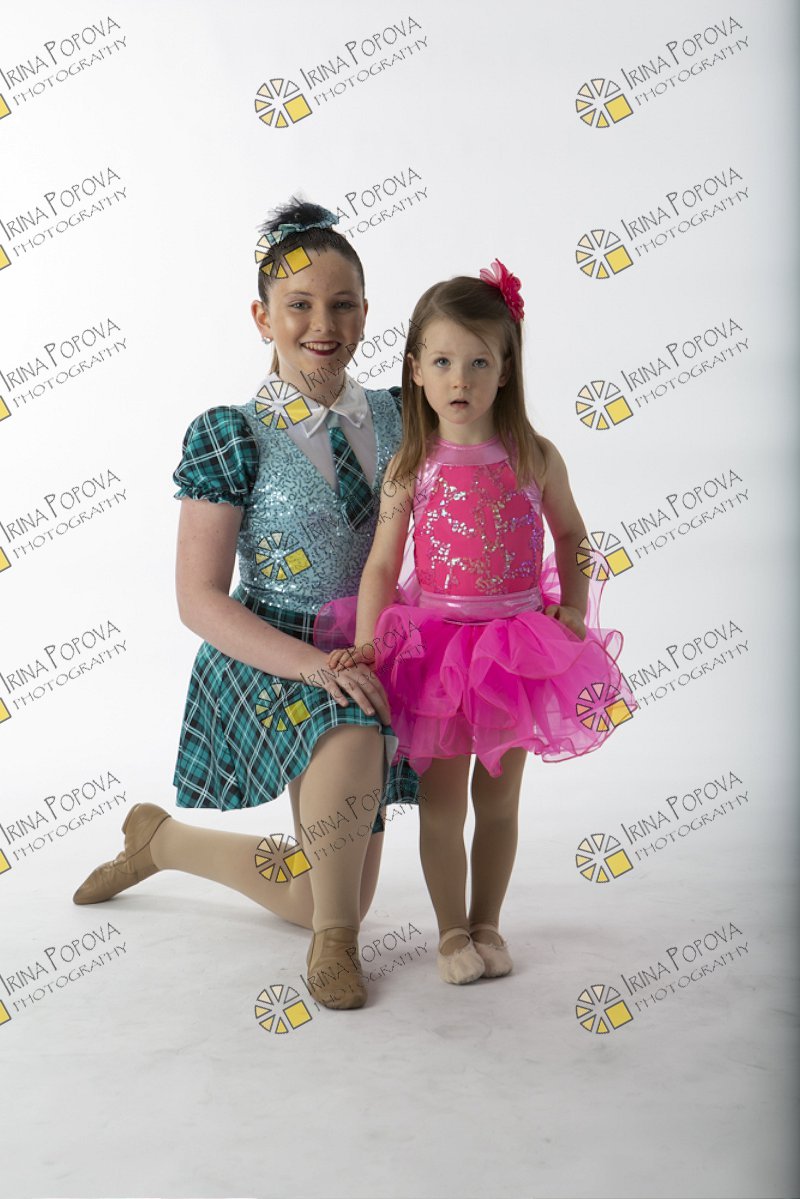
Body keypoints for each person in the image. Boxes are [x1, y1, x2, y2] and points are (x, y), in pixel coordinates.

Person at [72, 199, 419, 1011]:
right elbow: (197, 597)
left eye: (342, 304)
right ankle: (336, 945)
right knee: (349, 726)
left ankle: (161, 840)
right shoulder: (232, 434)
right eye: (299, 305)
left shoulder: (403, 414)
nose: (322, 324)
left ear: (366, 312)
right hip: (274, 649)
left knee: (321, 888)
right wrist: (314, 666)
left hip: (372, 640)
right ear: (262, 317)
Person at [325, 261, 635, 986]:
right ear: (415, 371)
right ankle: (450, 933)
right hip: (436, 653)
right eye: (441, 362)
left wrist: (572, 606)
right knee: (441, 808)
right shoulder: (412, 465)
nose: (459, 379)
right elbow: (381, 565)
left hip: (512, 652)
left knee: (498, 802)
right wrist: (369, 643)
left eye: (477, 362)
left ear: (506, 369)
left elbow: (573, 535)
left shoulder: (534, 456)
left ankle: (488, 921)